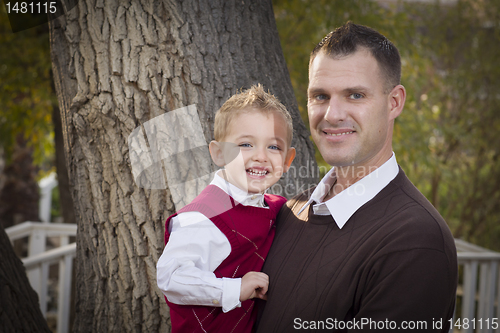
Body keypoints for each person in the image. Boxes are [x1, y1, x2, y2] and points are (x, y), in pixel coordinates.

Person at [255, 22, 458, 332]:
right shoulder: (289, 211)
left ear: (394, 103)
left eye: (355, 95)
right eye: (320, 96)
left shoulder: (415, 242)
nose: (332, 114)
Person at [156, 84, 296, 333]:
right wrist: (233, 289)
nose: (261, 156)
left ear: (287, 161)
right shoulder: (202, 217)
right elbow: (171, 277)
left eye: (273, 147)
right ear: (219, 154)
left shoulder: (277, 208)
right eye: (246, 144)